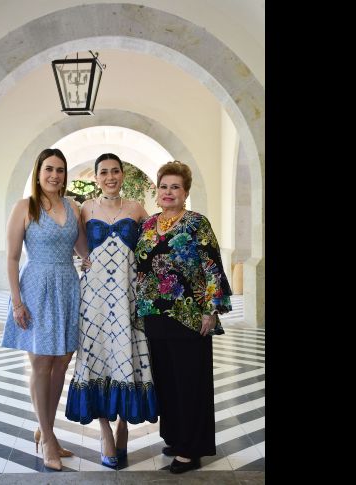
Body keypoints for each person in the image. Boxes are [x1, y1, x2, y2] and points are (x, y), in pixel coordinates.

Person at [135, 160, 232, 474]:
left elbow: (212, 265)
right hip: (155, 314)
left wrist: (210, 309)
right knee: (167, 382)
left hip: (189, 315)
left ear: (185, 192)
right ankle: (176, 437)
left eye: (175, 187)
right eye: (164, 186)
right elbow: (139, 266)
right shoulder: (149, 225)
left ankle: (191, 450)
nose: (168, 192)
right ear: (157, 190)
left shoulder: (196, 223)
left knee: (190, 382)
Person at [65, 153, 158, 468]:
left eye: (115, 171)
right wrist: (83, 259)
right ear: (96, 177)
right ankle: (105, 429)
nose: (110, 177)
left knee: (126, 357)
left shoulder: (135, 208)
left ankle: (122, 427)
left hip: (128, 297)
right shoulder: (85, 208)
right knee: (97, 358)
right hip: (94, 299)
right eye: (103, 172)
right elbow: (75, 241)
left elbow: (154, 245)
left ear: (122, 173)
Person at [1, 148, 88, 471]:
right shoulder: (24, 207)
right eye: (49, 169)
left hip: (67, 285)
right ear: (38, 172)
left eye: (60, 170)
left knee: (62, 363)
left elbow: (83, 250)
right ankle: (49, 440)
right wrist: (16, 301)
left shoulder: (74, 207)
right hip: (36, 287)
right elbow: (11, 257)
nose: (55, 175)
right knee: (40, 363)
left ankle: (46, 428)